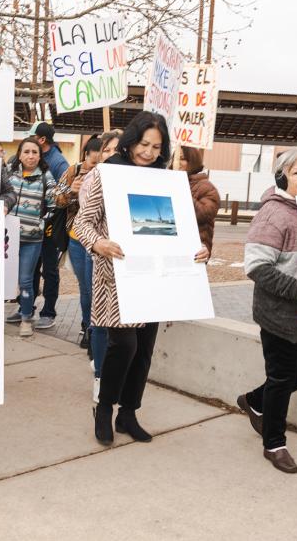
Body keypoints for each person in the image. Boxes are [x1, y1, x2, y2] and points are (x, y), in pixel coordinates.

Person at [74, 112, 209, 445]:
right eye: (144, 143)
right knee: (124, 345)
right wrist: (98, 243)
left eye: (156, 146)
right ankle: (104, 408)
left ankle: (129, 413)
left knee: (144, 349)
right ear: (131, 140)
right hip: (115, 276)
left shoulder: (165, 180)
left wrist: (197, 249)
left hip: (155, 277)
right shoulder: (105, 175)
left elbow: (179, 230)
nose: (148, 152)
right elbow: (82, 223)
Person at [237, 148, 297, 474]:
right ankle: (274, 443)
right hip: (280, 314)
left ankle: (255, 400)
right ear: (284, 175)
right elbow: (256, 266)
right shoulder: (274, 214)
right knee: (281, 377)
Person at [54, 134, 102, 400]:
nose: (93, 167)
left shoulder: (109, 175)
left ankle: (97, 336)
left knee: (97, 290)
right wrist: (72, 190)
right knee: (86, 288)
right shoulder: (73, 171)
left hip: (101, 241)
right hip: (76, 238)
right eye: (90, 161)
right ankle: (88, 328)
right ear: (85, 156)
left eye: (98, 163)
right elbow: (55, 198)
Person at [79, 129, 123, 390]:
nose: (110, 155)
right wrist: (97, 243)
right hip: (96, 252)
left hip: (124, 259)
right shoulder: (96, 176)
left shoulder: (136, 176)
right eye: (106, 150)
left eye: (116, 150)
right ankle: (99, 373)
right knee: (98, 314)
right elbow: (85, 218)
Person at [5, 137, 56, 337]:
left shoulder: (46, 176)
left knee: (25, 280)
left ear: (40, 155)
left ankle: (26, 318)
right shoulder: (8, 173)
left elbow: (54, 205)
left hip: (31, 240)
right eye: (26, 151)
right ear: (19, 154)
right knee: (2, 279)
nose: (30, 156)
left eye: (35, 152)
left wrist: (41, 223)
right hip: (7, 238)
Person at [30, 122, 69, 329]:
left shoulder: (59, 163)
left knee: (50, 270)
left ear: (42, 139)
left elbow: (65, 194)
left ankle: (48, 312)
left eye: (32, 136)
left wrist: (50, 209)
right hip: (32, 225)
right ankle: (26, 308)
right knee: (31, 268)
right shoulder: (36, 156)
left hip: (50, 226)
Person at [175, 146, 220, 256]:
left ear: (192, 161)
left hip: (197, 247)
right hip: (173, 243)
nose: (177, 163)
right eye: (175, 158)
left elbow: (205, 214)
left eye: (182, 158)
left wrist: (181, 192)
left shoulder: (206, 187)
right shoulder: (170, 182)